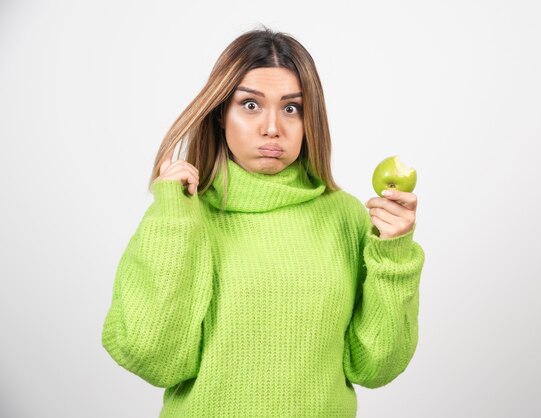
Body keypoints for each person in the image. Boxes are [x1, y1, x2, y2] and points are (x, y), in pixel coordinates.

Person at [101, 26, 425, 417]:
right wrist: (171, 219)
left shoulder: (346, 217)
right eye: (251, 105)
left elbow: (375, 366)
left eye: (292, 108)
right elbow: (152, 357)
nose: (272, 127)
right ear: (221, 113)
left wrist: (394, 255)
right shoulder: (184, 216)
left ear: (310, 120)